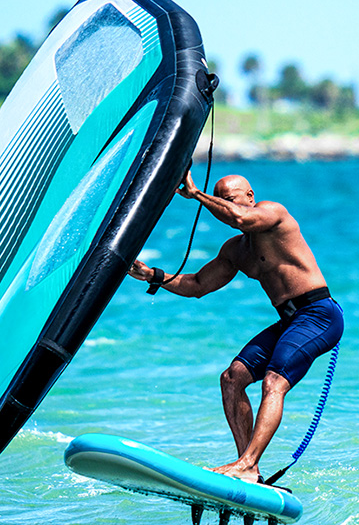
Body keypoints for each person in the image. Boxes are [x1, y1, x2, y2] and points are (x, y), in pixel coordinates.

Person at [128, 170, 343, 483]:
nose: (223, 205)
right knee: (232, 378)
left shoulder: (274, 214)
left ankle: (246, 463)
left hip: (319, 314)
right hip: (290, 320)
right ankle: (249, 468)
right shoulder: (236, 251)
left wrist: (197, 195)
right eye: (220, 199)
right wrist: (153, 276)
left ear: (250, 197)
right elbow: (198, 284)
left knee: (274, 382)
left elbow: (241, 219)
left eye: (228, 199)